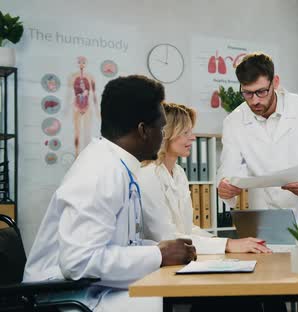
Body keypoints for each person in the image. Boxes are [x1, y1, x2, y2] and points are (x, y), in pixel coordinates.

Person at [23, 75, 196, 311]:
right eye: (161, 128)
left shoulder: (119, 165)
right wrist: (158, 254)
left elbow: (121, 243)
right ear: (143, 130)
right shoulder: (101, 171)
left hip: (90, 288)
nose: (162, 137)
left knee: (172, 294)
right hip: (64, 297)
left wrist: (159, 249)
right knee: (167, 300)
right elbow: (79, 262)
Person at [138, 102, 271, 254]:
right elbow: (167, 238)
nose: (193, 138)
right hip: (159, 266)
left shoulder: (178, 173)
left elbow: (188, 229)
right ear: (166, 134)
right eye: (185, 132)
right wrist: (227, 245)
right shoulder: (148, 175)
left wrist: (223, 242)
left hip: (179, 259)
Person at [217, 52, 298, 222]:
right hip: (265, 213)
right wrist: (224, 185)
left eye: (261, 92)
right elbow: (230, 166)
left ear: (276, 82)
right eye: (248, 93)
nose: (255, 101)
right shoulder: (234, 121)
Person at [68, 56, 99, 157]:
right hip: (76, 106)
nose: (81, 64)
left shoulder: (90, 77)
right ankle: (76, 155)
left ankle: (86, 158)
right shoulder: (73, 77)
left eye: (83, 62)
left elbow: (94, 95)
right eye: (79, 62)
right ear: (76, 63)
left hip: (87, 106)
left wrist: (97, 110)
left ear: (86, 63)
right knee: (77, 132)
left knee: (87, 133)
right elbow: (69, 93)